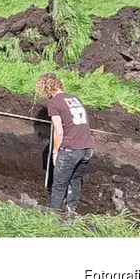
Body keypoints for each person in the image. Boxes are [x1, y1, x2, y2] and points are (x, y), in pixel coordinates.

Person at [36, 72, 94, 213]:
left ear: (46, 88)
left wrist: (56, 152)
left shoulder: (54, 103)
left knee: (59, 185)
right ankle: (71, 213)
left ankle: (52, 218)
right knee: (75, 180)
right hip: (87, 147)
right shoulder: (74, 98)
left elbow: (59, 131)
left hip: (70, 149)